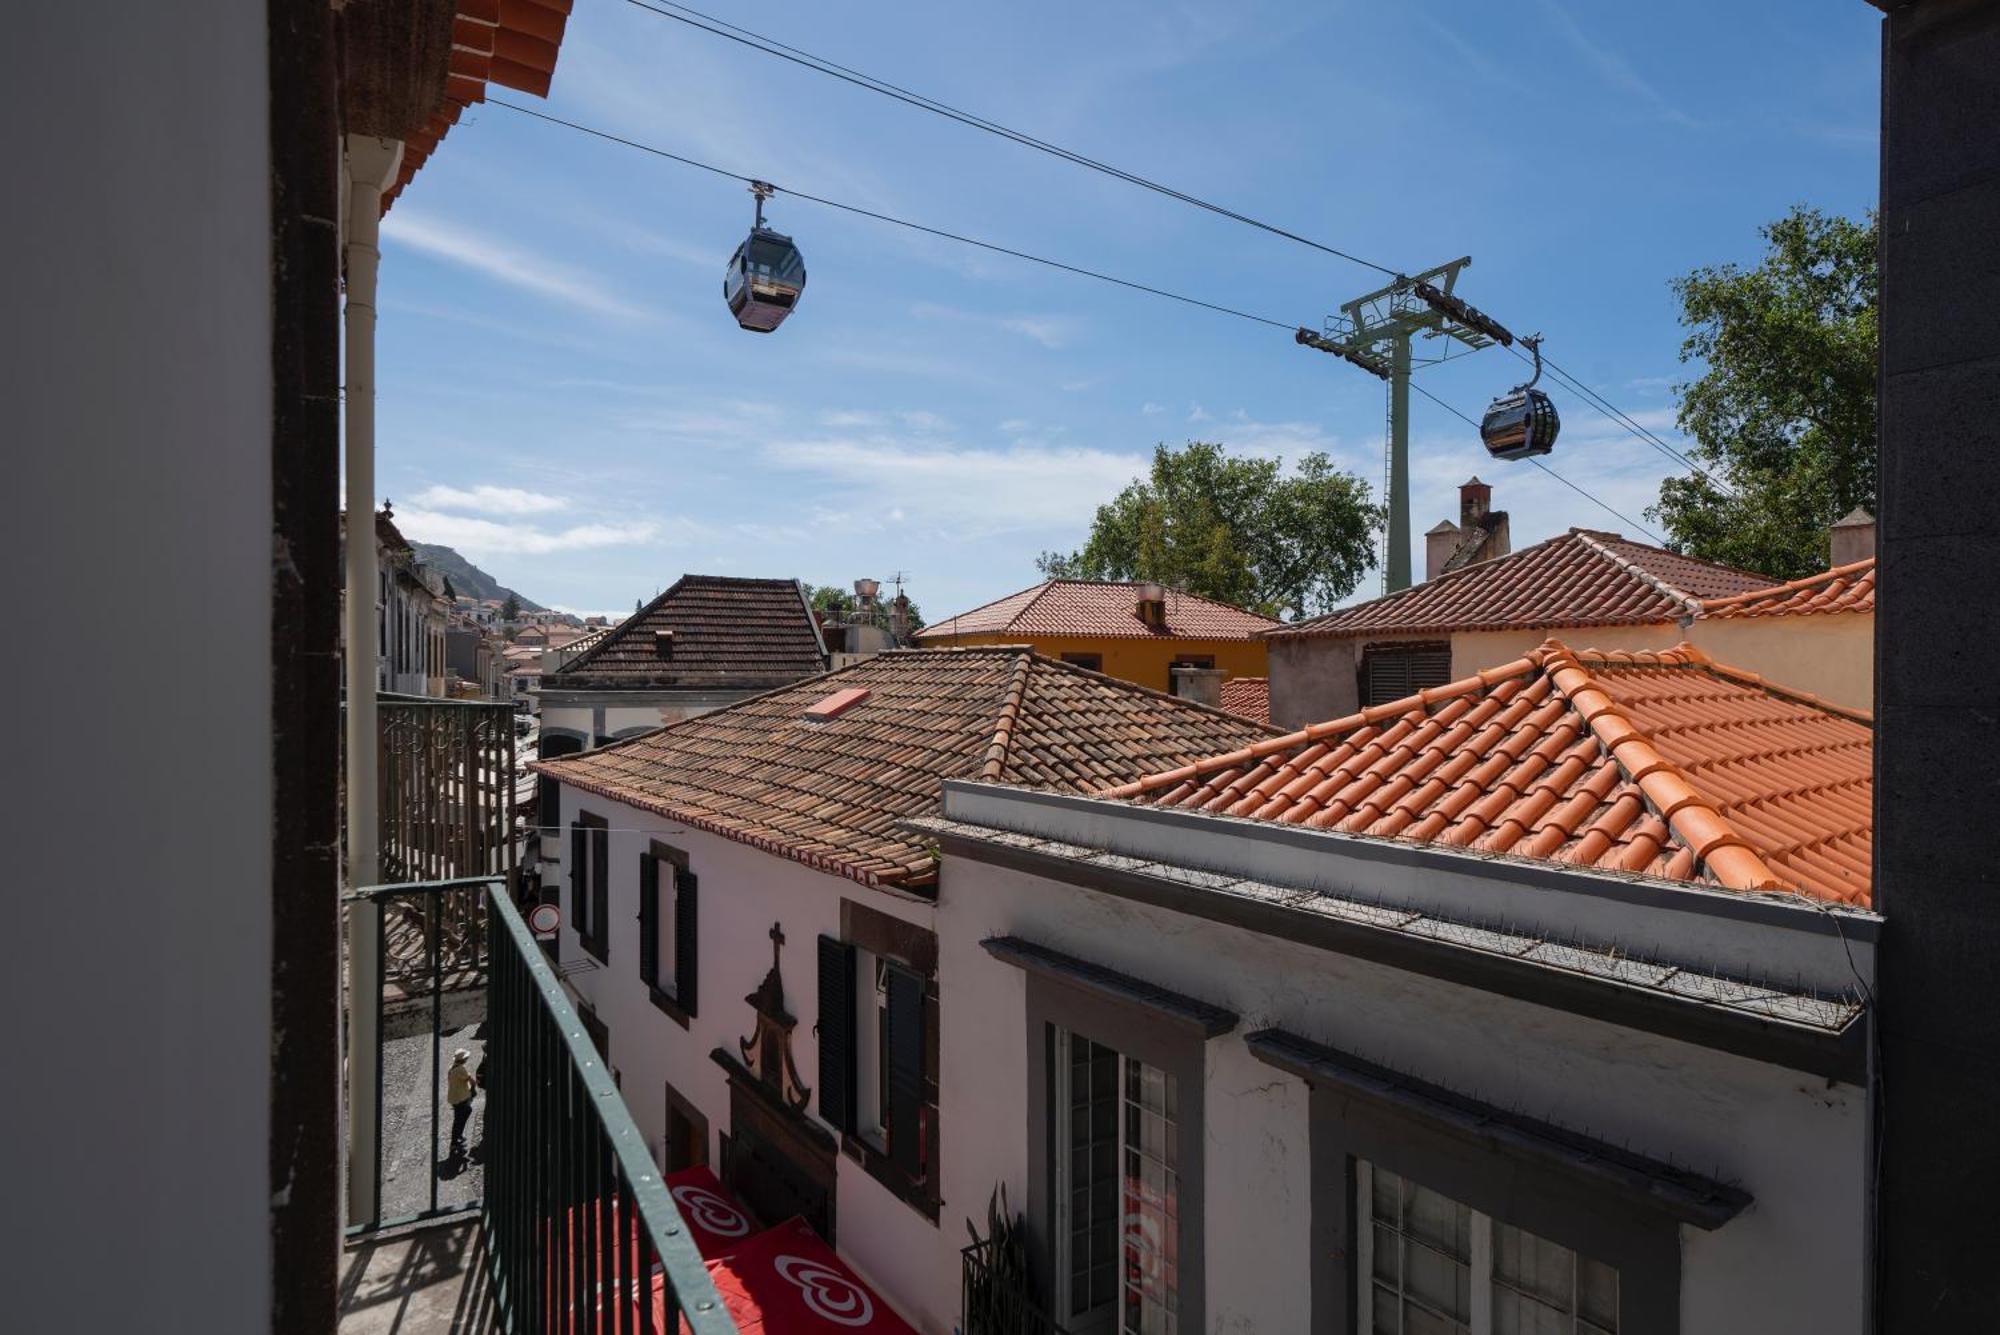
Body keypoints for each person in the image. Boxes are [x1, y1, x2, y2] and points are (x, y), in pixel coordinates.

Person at [446, 1049, 478, 1157]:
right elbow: (471, 1080)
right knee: (461, 1117)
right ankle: (455, 1141)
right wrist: (474, 1087)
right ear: (463, 1059)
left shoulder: (451, 1068)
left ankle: (458, 1136)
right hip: (460, 1098)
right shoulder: (461, 1069)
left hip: (454, 1098)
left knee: (460, 1116)